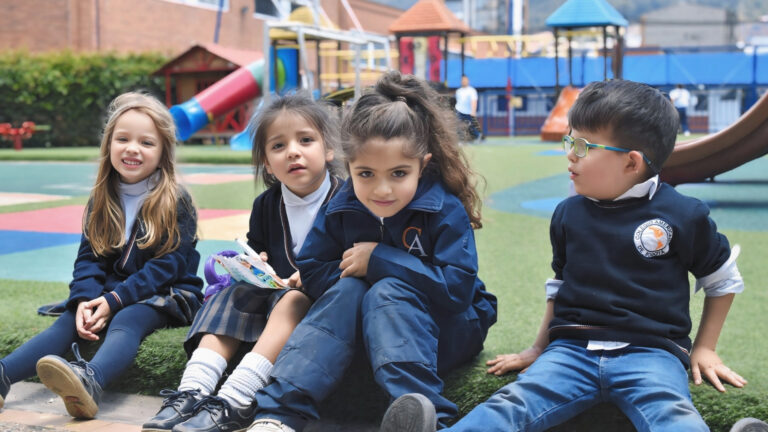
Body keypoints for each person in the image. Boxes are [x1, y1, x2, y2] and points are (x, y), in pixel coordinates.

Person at [381, 79, 747, 432]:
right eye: (570, 141)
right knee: (512, 404)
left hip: (651, 354)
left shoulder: (683, 214)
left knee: (670, 412)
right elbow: (560, 286)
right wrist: (538, 347)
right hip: (570, 352)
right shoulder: (568, 213)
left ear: (631, 163)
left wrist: (705, 348)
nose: (570, 154)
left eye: (583, 146)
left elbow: (723, 279)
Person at [244, 71, 497, 432]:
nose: (382, 190)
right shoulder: (342, 205)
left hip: (448, 330)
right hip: (369, 333)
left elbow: (457, 291)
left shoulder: (443, 209)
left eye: (398, 173)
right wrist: (360, 276)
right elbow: (313, 269)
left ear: (422, 165)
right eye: (365, 174)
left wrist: (379, 261)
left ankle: (428, 417)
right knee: (349, 287)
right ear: (347, 166)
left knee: (387, 290)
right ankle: (278, 415)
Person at [142, 92, 343, 432]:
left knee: (293, 300)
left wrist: (308, 277)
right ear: (267, 163)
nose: (293, 151)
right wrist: (254, 261)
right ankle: (191, 390)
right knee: (230, 294)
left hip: (320, 303)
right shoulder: (267, 204)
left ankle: (237, 398)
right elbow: (258, 247)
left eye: (306, 140)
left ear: (329, 149)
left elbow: (351, 262)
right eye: (278, 146)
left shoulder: (346, 200)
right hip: (272, 295)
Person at [0, 92, 203, 419]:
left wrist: (114, 300)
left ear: (164, 151)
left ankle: (91, 381)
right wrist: (84, 299)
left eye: (146, 142)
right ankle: (3, 374)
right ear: (109, 145)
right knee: (71, 318)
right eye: (123, 139)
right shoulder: (102, 198)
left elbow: (168, 266)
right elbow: (89, 258)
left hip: (168, 291)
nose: (132, 148)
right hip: (114, 288)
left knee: (128, 318)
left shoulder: (175, 199)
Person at [455, 75, 482, 142]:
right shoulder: (458, 91)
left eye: (465, 80)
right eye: (462, 80)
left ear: (468, 81)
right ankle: (460, 140)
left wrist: (473, 111)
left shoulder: (472, 90)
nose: (464, 81)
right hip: (459, 112)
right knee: (458, 126)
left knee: (472, 126)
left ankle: (478, 137)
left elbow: (474, 101)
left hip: (469, 112)